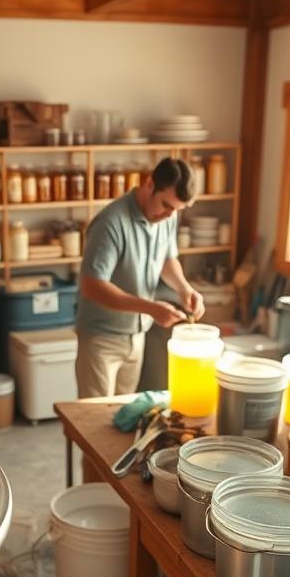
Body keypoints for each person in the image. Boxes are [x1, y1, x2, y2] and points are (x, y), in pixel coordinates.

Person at [75, 157, 205, 399]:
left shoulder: (168, 216)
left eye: (177, 210)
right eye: (166, 205)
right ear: (149, 184)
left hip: (137, 336)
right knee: (94, 415)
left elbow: (167, 259)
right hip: (102, 339)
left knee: (124, 412)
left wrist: (184, 289)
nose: (169, 215)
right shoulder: (110, 223)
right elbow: (92, 286)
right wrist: (151, 308)